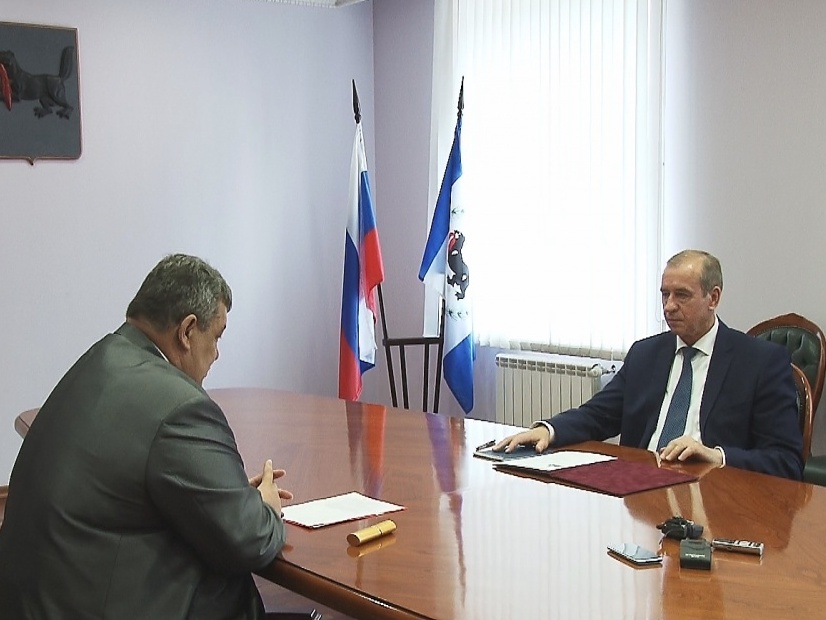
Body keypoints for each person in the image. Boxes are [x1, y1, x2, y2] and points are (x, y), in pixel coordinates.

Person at [0, 254, 291, 619]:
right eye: (216, 337)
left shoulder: (97, 362)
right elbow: (249, 541)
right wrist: (264, 506)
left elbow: (129, 481)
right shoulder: (181, 407)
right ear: (187, 331)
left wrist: (224, 495)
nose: (217, 354)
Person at [495, 250, 803, 480]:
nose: (669, 306)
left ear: (713, 298)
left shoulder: (760, 362)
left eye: (682, 296)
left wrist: (715, 455)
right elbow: (598, 415)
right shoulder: (646, 354)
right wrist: (548, 430)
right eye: (665, 295)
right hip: (639, 486)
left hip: (712, 494)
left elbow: (786, 461)